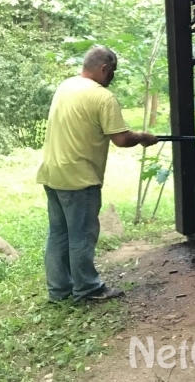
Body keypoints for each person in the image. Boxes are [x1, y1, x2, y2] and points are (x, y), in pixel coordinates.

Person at [36, 46, 158, 302]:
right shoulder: (103, 97)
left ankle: (58, 291)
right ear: (104, 68)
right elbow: (121, 139)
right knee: (82, 234)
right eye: (112, 71)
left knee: (58, 233)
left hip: (52, 172)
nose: (112, 76)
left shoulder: (66, 86)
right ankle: (87, 289)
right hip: (79, 179)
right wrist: (143, 137)